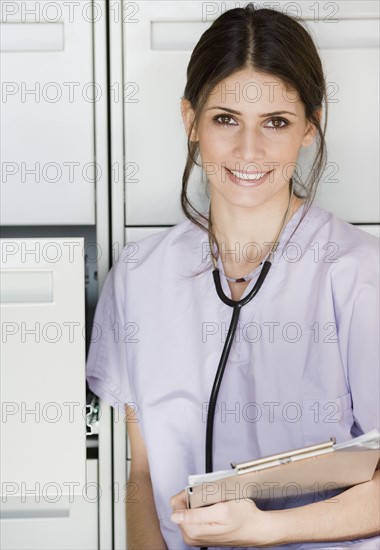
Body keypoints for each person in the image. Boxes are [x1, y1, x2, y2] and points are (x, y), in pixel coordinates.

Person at [86, 4, 380, 549]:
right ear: (190, 121)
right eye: (225, 119)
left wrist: (266, 529)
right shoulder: (137, 276)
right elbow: (144, 474)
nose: (250, 151)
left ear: (312, 127)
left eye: (276, 122)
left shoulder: (361, 273)